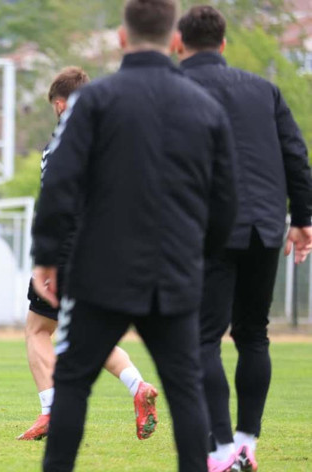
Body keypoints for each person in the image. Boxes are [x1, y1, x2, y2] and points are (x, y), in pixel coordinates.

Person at [31, 0, 239, 469]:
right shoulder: (205, 107)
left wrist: (46, 258)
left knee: (74, 390)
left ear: (122, 39)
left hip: (100, 274)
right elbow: (227, 200)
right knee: (185, 391)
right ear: (175, 41)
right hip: (175, 273)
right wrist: (201, 256)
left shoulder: (93, 103)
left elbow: (59, 185)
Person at [176, 6, 312, 471]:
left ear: (179, 43)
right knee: (254, 334)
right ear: (224, 43)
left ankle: (219, 449)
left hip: (210, 228)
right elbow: (296, 152)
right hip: (264, 226)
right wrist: (303, 218)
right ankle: (246, 441)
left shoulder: (177, 89)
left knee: (202, 338)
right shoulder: (264, 89)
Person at [19, 66, 158, 442]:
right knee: (84, 335)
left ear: (60, 104)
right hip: (112, 249)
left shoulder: (62, 144)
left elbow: (56, 203)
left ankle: (51, 412)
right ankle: (138, 386)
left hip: (69, 250)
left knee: (37, 330)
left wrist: (46, 257)